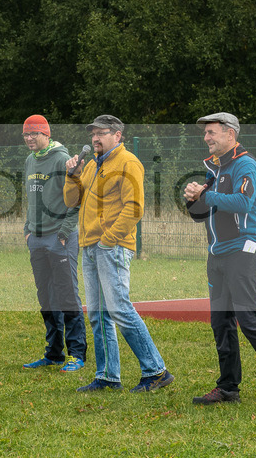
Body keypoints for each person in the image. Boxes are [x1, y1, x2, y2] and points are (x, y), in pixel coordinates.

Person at [63, 115, 174, 392]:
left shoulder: (128, 163)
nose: (95, 138)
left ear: (118, 136)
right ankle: (108, 376)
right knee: (98, 315)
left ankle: (156, 371)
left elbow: (134, 207)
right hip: (90, 247)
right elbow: (71, 201)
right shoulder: (90, 166)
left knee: (119, 310)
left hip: (111, 247)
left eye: (102, 133)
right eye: (93, 134)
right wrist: (71, 177)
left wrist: (108, 240)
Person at [185, 113, 256, 406]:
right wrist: (193, 200)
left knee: (248, 319)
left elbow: (244, 202)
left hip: (243, 249)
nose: (207, 138)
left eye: (212, 132)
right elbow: (200, 214)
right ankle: (228, 387)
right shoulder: (213, 169)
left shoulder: (246, 165)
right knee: (221, 322)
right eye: (205, 134)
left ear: (231, 134)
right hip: (217, 254)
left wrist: (207, 195)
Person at [20, 115, 87, 372]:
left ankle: (77, 354)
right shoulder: (29, 160)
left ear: (46, 134)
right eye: (26, 134)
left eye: (34, 134)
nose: (29, 138)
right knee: (46, 298)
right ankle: (54, 353)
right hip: (36, 239)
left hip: (60, 238)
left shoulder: (62, 159)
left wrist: (63, 232)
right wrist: (28, 231)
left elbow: (76, 199)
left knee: (67, 295)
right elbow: (31, 200)